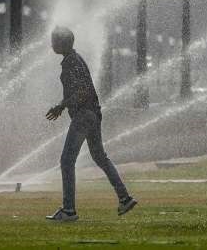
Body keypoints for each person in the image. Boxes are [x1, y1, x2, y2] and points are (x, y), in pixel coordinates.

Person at [44, 27, 138, 222]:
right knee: (99, 156)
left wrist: (61, 106)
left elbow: (83, 90)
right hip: (92, 115)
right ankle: (125, 198)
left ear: (63, 43)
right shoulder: (74, 60)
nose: (52, 44)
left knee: (67, 160)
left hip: (83, 117)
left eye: (54, 40)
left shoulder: (72, 62)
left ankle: (69, 210)